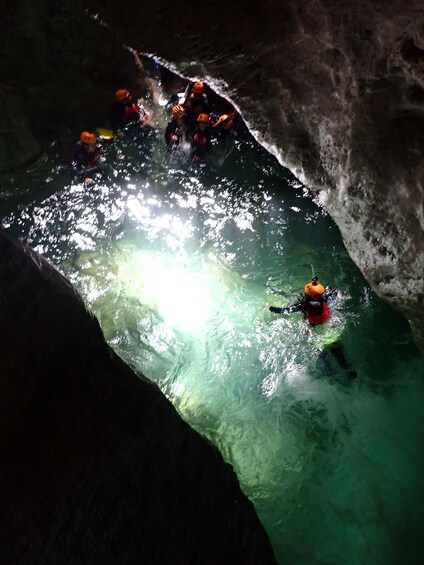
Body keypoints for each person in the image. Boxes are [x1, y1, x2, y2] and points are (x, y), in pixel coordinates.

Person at [268, 276, 337, 326]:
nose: (305, 293)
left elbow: (284, 311)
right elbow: (335, 292)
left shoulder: (302, 306)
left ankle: (307, 330)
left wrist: (270, 308)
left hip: (313, 322)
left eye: (306, 293)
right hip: (325, 318)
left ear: (309, 296)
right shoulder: (325, 299)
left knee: (302, 308)